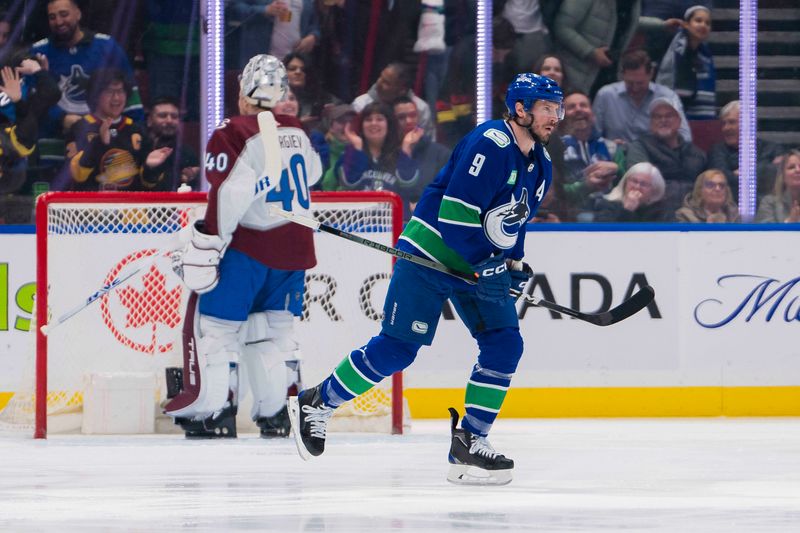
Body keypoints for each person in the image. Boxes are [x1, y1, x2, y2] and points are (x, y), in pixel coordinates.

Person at [288, 73, 563, 486]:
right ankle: (317, 402)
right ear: (521, 109)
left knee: (505, 345)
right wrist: (487, 268)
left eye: (557, 109)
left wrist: (513, 264)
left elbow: (516, 222)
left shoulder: (541, 164)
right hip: (430, 255)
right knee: (399, 349)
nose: (554, 117)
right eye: (547, 108)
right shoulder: (490, 144)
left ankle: (470, 440)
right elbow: (455, 217)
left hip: (477, 265)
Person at [164, 54, 323, 439]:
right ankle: (279, 414)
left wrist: (206, 240)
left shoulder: (232, 131)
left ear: (245, 91)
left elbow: (230, 193)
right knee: (278, 333)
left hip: (248, 249)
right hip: (294, 250)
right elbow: (314, 172)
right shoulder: (296, 128)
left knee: (219, 331)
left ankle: (214, 413)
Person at [62, 69, 168, 191]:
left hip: (131, 207)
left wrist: (151, 167)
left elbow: (149, 184)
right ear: (95, 94)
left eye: (120, 91)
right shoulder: (80, 127)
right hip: (93, 206)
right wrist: (98, 142)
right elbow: (75, 177)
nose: (116, 98)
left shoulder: (136, 129)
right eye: (109, 91)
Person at [335, 101, 420, 220]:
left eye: (379, 119)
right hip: (360, 224)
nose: (373, 123)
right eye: (368, 119)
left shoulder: (401, 153)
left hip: (396, 225)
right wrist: (357, 149)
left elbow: (409, 185)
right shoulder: (351, 152)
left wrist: (405, 149)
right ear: (362, 125)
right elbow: (349, 184)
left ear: (388, 124)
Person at [592, 48, 691, 145]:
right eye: (630, 83)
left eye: (640, 83)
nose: (635, 88)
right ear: (622, 75)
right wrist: (610, 145)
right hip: (616, 156)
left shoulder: (668, 96)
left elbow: (685, 137)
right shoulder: (606, 95)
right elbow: (592, 136)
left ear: (651, 74)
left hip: (655, 157)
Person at [624, 95, 706, 211]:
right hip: (655, 213)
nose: (663, 120)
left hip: (694, 213)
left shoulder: (697, 153)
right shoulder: (640, 147)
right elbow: (641, 183)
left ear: (679, 121)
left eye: (669, 116)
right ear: (651, 123)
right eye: (657, 117)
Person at [550, 0, 641, 95]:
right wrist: (591, 52)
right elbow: (562, 27)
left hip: (610, 74)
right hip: (575, 72)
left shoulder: (634, 3)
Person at [707, 100, 783, 200]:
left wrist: (743, 171)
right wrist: (764, 169)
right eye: (724, 123)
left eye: (732, 122)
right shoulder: (717, 151)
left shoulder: (772, 148)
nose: (726, 128)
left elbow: (778, 176)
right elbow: (721, 179)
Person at [392, 95, 452, 215]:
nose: (408, 121)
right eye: (401, 117)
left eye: (412, 115)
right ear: (392, 121)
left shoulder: (441, 154)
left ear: (419, 118)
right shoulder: (387, 153)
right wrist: (406, 149)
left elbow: (448, 193)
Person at [655, 5, 716, 120]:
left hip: (702, 116)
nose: (703, 25)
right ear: (686, 24)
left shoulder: (706, 54)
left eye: (707, 23)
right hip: (677, 115)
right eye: (698, 21)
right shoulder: (673, 46)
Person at [226, 0, 320, 71]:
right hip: (260, 62)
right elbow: (234, 8)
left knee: (292, 96)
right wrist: (264, 10)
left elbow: (313, 22)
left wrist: (313, 36)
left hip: (294, 64)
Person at [352, 62, 435, 140]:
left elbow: (427, 142)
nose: (379, 83)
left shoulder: (421, 109)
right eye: (381, 77)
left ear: (402, 90)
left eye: (386, 83)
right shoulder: (361, 104)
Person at [142, 96, 200, 191]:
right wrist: (149, 168)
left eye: (174, 116)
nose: (169, 120)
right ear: (149, 121)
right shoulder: (140, 149)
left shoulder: (187, 152)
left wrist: (195, 176)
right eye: (162, 116)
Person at [587, 162, 668, 222]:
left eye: (644, 184)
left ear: (654, 190)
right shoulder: (607, 204)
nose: (637, 187)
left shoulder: (660, 208)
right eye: (634, 181)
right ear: (625, 182)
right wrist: (627, 210)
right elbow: (606, 237)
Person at [282, 51, 339, 131]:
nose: (298, 72)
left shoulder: (323, 97)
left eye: (303, 69)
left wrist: (332, 115)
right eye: (292, 69)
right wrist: (299, 124)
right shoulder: (274, 99)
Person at [675, 169, 740, 223]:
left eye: (722, 185)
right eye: (710, 185)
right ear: (700, 190)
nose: (717, 189)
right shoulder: (684, 215)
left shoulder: (737, 215)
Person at [318, 103, 357, 191]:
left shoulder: (363, 153)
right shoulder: (318, 152)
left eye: (352, 122)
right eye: (341, 122)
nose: (346, 127)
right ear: (331, 126)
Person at [756, 150, 800, 223]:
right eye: (791, 167)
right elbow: (765, 233)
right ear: (783, 176)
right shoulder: (769, 203)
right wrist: (790, 222)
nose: (798, 170)